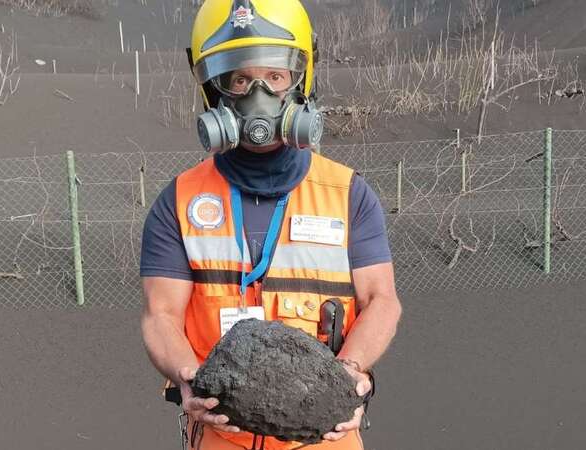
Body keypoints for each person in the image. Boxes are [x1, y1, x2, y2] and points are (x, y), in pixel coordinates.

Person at [140, 1, 402, 449]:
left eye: (276, 76)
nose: (257, 95)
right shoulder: (180, 202)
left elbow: (382, 300)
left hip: (325, 437)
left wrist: (352, 371)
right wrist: (187, 378)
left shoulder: (348, 194)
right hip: (222, 436)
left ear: (303, 79)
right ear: (213, 91)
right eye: (240, 79)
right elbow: (160, 314)